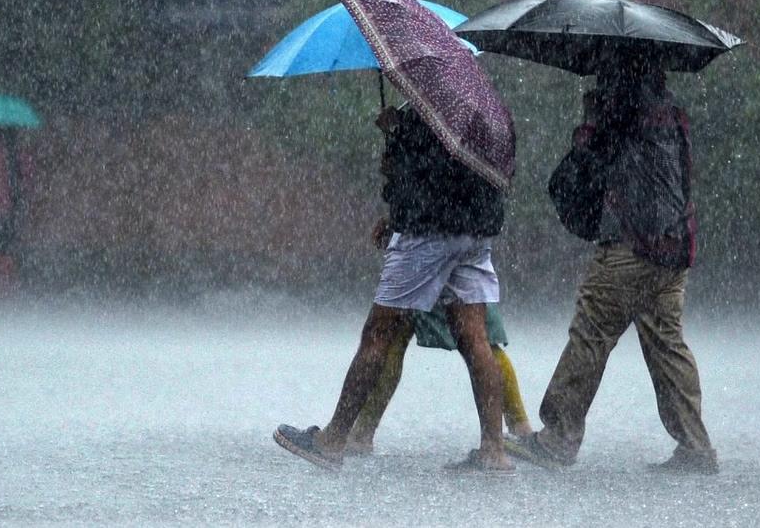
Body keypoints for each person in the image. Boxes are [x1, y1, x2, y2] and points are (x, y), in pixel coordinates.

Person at [507, 55, 718, 474]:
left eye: (605, 73)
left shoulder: (622, 111)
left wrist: (591, 122)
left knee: (591, 332)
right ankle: (695, 445)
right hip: (674, 244)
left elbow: (582, 167)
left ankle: (557, 438)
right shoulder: (669, 111)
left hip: (632, 245)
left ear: (618, 73)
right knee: (667, 345)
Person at [273, 104, 513, 474]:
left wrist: (396, 139)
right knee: (476, 339)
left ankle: (334, 437)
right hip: (476, 231)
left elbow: (415, 179)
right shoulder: (485, 112)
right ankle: (493, 450)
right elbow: (473, 176)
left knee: (379, 332)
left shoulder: (426, 114)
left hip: (428, 234)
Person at [344, 302, 534, 457]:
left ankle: (362, 432)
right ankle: (518, 429)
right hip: (460, 262)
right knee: (480, 337)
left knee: (394, 330)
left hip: (426, 265)